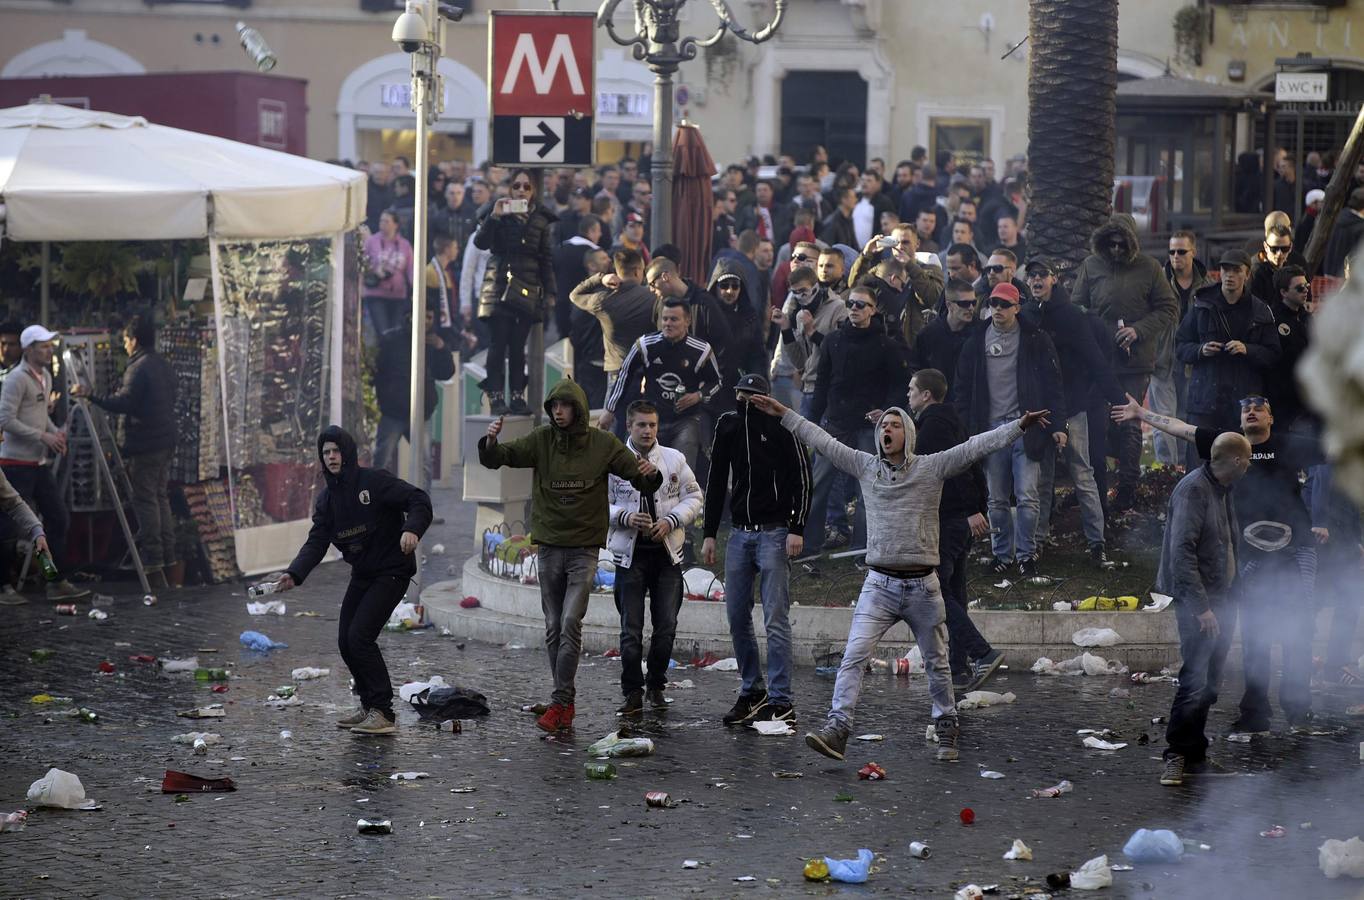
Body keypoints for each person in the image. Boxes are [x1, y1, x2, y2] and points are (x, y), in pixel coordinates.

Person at [745, 388, 1047, 763]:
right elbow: (820, 439)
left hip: (923, 585)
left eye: (894, 425)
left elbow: (974, 447)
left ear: (908, 432)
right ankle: (838, 728)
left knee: (937, 663)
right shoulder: (864, 466)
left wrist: (1019, 426)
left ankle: (947, 726)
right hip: (879, 585)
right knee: (853, 656)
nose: (886, 430)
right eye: (883, 425)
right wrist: (783, 412)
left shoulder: (931, 467)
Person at [1113, 394, 1325, 735]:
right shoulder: (1225, 446)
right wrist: (1142, 413)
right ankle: (1256, 713)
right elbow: (1181, 428)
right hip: (1249, 556)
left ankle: (1299, 711)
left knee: (1298, 632)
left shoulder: (1289, 444)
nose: (1252, 411)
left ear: (1271, 418)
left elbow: (1338, 447)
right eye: (1245, 408)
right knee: (1256, 632)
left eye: (1260, 408)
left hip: (1295, 550)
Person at [480, 379, 661, 732]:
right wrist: (490, 442)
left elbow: (637, 475)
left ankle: (562, 702)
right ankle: (563, 698)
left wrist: (650, 476)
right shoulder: (541, 440)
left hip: (583, 549)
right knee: (552, 626)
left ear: (577, 409)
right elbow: (502, 457)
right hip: (549, 546)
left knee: (569, 623)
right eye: (554, 406)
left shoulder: (602, 443)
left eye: (564, 406)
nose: (558, 412)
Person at [274, 426, 433, 735]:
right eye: (326, 453)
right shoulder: (327, 501)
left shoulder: (374, 481)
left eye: (336, 451)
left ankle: (383, 712)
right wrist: (294, 573)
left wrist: (411, 529)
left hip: (392, 570)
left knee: (360, 636)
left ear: (347, 453)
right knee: (345, 640)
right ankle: (368, 705)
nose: (332, 457)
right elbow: (316, 542)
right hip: (363, 574)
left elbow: (419, 499)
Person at [702, 374, 811, 727]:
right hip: (739, 532)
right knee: (736, 615)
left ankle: (781, 698)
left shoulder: (782, 426)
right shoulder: (728, 426)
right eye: (742, 393)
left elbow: (802, 478)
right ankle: (752, 690)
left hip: (775, 531)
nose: (747, 400)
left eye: (754, 395)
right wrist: (707, 534)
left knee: (775, 617)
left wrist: (797, 527)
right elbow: (716, 479)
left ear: (766, 398)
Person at [1156, 431, 1252, 786]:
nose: (1250, 466)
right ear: (1238, 461)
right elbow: (1181, 556)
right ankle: (1176, 755)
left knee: (1210, 681)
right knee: (1195, 680)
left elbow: (1227, 547)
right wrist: (1202, 608)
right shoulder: (1193, 490)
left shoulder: (1222, 490)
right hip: (1200, 605)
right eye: (1249, 460)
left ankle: (1195, 753)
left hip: (1222, 601)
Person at [953, 284, 1064, 576]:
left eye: (1004, 304)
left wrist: (1058, 425)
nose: (998, 309)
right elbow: (962, 388)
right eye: (993, 304)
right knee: (996, 498)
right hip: (990, 431)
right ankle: (1002, 555)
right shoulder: (976, 341)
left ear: (1017, 307)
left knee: (1027, 494)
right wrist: (966, 427)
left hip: (1026, 428)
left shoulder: (1035, 339)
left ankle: (1027, 554)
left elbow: (1054, 384)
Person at [1069, 214, 1179, 510]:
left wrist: (1138, 330)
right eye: (1111, 244)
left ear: (1131, 243)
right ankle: (1095, 484)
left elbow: (1168, 307)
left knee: (1130, 421)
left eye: (1121, 244)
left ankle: (1128, 487)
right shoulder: (1092, 265)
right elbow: (1077, 305)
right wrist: (1093, 331)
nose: (1116, 249)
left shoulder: (1149, 267)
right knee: (1095, 422)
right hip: (1097, 358)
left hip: (1135, 360)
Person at [907, 368, 1004, 691]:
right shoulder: (945, 420)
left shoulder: (935, 426)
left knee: (936, 591)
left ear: (926, 395)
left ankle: (981, 653)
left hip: (949, 519)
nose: (907, 395)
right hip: (957, 518)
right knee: (955, 591)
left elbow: (957, 469)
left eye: (912, 390)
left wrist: (970, 511)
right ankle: (959, 667)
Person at [1023, 259, 1123, 565]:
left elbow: (1096, 360)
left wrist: (1116, 399)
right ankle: (1037, 542)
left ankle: (1097, 543)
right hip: (1040, 411)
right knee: (1043, 477)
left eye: (1042, 275)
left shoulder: (1071, 316)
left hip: (1073, 407)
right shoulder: (1026, 314)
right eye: (1032, 276)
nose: (1037, 280)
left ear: (1055, 279)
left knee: (1083, 474)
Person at [607, 400, 704, 714]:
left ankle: (656, 685)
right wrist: (624, 516)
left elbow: (694, 495)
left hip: (667, 556)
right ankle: (632, 691)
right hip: (630, 556)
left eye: (652, 425)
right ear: (629, 426)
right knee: (630, 630)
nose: (647, 431)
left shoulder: (674, 459)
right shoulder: (613, 461)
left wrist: (671, 520)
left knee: (666, 627)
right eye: (641, 425)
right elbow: (596, 502)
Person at [69, 315, 179, 589]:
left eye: (126, 340)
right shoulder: (162, 364)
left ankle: (153, 559)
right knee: (159, 497)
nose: (125, 346)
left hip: (146, 444)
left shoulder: (138, 368)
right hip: (164, 440)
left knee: (146, 500)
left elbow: (125, 402)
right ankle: (167, 555)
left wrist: (92, 395)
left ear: (135, 340)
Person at [802, 285, 910, 554]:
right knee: (817, 485)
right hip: (835, 423)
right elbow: (822, 384)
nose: (854, 309)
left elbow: (901, 385)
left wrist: (885, 410)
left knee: (867, 492)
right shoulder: (833, 341)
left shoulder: (887, 346)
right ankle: (808, 544)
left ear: (873, 310)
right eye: (850, 303)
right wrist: (812, 422)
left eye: (861, 305)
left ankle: (864, 548)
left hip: (868, 426)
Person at [0, 326, 87, 600]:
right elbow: (5, 420)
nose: (49, 350)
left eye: (50, 346)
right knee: (9, 527)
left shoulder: (45, 377)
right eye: (43, 346)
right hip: (15, 463)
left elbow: (38, 415)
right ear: (29, 349)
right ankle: (4, 585)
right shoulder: (16, 379)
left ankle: (54, 580)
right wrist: (43, 436)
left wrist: (54, 433)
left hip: (37, 463)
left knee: (58, 518)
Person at [601, 298, 722, 472]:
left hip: (685, 420)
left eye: (674, 319)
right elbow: (624, 376)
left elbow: (717, 382)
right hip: (650, 418)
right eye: (664, 319)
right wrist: (609, 409)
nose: (667, 324)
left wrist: (698, 396)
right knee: (636, 470)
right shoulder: (644, 345)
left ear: (687, 321)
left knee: (680, 470)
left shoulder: (701, 350)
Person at [474, 169, 557, 415]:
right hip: (499, 283)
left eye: (526, 187)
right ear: (509, 188)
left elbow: (546, 257)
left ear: (533, 191)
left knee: (518, 345)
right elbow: (481, 243)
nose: (521, 191)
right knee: (498, 343)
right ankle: (496, 396)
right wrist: (495, 217)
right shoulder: (495, 211)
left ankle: (518, 396)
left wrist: (550, 291)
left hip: (528, 286)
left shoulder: (541, 218)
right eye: (517, 186)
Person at [1175, 249, 1281, 440]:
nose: (1230, 275)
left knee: (1241, 461)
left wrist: (1247, 349)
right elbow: (1180, 345)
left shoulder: (1260, 310)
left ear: (1247, 274)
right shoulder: (1202, 305)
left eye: (1236, 270)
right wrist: (1201, 350)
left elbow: (1273, 355)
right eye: (1225, 269)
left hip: (1242, 404)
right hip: (1205, 400)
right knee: (1200, 461)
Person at [372, 303, 457, 479]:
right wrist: (385, 398)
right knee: (381, 461)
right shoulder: (390, 340)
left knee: (425, 465)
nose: (426, 321)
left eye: (430, 317)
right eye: (423, 316)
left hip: (421, 413)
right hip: (392, 412)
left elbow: (446, 373)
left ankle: (422, 504)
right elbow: (376, 371)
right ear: (410, 316)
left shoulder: (433, 342)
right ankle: (375, 502)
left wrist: (442, 348)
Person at [1152, 231, 1215, 467]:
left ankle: (1186, 467)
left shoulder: (1207, 286)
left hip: (1194, 360)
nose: (1175, 256)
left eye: (1181, 251)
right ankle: (1166, 471)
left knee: (1188, 417)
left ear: (1193, 253)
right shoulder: (1157, 281)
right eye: (1171, 252)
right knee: (1163, 419)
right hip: (1162, 358)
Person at [571, 248, 657, 400]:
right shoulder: (652, 297)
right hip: (647, 368)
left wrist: (600, 278)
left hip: (617, 370)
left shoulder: (603, 300)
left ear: (617, 271)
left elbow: (575, 295)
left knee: (613, 418)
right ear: (638, 271)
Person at [1266, 265, 1313, 430]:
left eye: (1307, 286)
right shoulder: (1272, 320)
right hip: (1283, 401)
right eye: (1300, 288)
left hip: (1307, 398)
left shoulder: (1307, 318)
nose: (1305, 290)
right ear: (1283, 292)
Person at [915, 278, 980, 397]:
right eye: (964, 303)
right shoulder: (929, 334)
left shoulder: (980, 332)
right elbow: (919, 371)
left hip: (970, 401)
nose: (970, 308)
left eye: (973, 303)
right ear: (949, 305)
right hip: (938, 401)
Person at [362, 210, 414, 344]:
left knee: (396, 331)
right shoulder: (372, 241)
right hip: (376, 293)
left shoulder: (404, 245)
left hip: (398, 295)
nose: (382, 224)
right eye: (381, 221)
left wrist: (414, 289)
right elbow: (362, 263)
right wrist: (374, 270)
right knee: (383, 332)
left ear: (395, 225)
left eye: (386, 221)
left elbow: (410, 269)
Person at [552, 215, 602, 342]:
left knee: (563, 344)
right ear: (591, 231)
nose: (600, 235)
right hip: (584, 306)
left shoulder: (560, 248)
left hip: (561, 302)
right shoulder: (595, 254)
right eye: (598, 231)